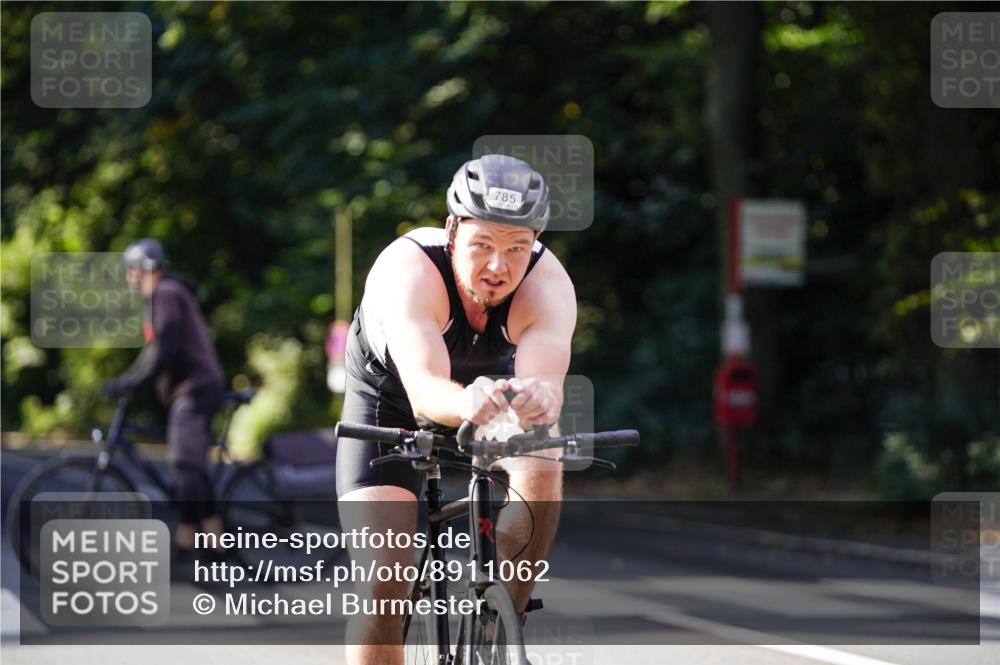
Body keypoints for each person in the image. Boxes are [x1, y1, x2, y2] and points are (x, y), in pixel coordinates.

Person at [337, 154, 577, 665]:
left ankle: (502, 628)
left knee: (543, 458)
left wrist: (541, 399)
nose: (499, 265)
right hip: (392, 396)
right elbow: (425, 392)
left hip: (491, 392)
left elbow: (545, 387)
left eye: (517, 247)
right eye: (483, 244)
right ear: (452, 231)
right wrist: (467, 399)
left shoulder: (548, 284)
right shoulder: (410, 272)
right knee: (385, 573)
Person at [104, 238, 226, 555]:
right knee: (187, 466)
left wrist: (128, 381)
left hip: (196, 389)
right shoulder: (166, 294)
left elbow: (163, 349)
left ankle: (215, 537)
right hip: (191, 389)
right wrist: (130, 379)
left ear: (147, 268)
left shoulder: (166, 293)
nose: (129, 276)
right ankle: (188, 535)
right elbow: (156, 350)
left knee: (184, 464)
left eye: (132, 269)